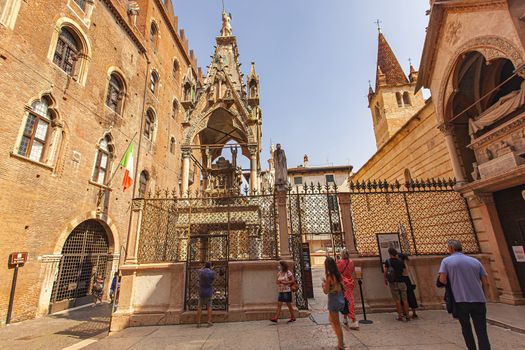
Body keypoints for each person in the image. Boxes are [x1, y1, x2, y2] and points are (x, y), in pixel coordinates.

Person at [438, 240, 491, 350]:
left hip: (460, 300)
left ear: (451, 248)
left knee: (466, 328)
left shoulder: (446, 261)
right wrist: (484, 297)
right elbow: (486, 283)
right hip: (479, 300)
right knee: (481, 330)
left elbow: (442, 280)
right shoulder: (475, 261)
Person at [323, 257, 345, 350]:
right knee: (331, 320)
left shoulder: (329, 276)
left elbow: (326, 291)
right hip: (340, 299)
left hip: (333, 300)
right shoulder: (338, 274)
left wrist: (324, 285)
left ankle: (341, 344)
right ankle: (340, 340)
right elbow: (341, 286)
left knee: (336, 323)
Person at [384, 247, 410, 321]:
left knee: (397, 300)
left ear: (389, 254)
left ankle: (400, 316)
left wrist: (385, 279)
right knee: (405, 299)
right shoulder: (401, 262)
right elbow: (405, 273)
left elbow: (386, 272)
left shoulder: (388, 261)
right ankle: (407, 315)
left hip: (393, 283)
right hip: (402, 282)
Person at [337, 249, 359, 329]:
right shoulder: (351, 262)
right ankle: (345, 319)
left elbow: (337, 272)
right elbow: (352, 271)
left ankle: (353, 320)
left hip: (343, 284)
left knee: (347, 302)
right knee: (348, 301)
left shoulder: (340, 262)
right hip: (350, 282)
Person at [398, 253, 418, 319]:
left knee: (403, 297)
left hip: (403, 280)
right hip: (408, 280)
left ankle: (405, 312)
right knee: (411, 296)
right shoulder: (406, 263)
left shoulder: (401, 264)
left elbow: (402, 273)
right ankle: (414, 312)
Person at [197, 262, 216, 328]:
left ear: (205, 266)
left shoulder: (201, 272)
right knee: (209, 307)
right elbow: (213, 280)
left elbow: (199, 271)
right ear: (210, 266)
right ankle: (209, 321)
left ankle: (199, 322)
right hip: (208, 290)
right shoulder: (212, 272)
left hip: (201, 290)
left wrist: (203, 267)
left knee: (200, 307)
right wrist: (211, 269)